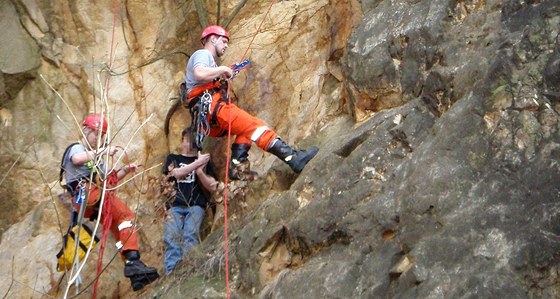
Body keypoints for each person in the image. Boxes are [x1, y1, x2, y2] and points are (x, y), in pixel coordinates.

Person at [185, 25, 318, 179]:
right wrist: (223, 70)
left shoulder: (210, 63)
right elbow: (199, 73)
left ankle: (236, 165)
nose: (226, 45)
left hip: (210, 117)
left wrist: (223, 74)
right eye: (224, 41)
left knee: (246, 131)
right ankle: (293, 158)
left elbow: (204, 79)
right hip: (214, 109)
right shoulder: (202, 54)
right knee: (255, 126)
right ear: (213, 39)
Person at [62, 113, 159, 291]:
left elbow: (108, 180)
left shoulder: (96, 159)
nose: (98, 140)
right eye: (96, 135)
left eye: (102, 137)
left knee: (118, 225)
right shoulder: (77, 148)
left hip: (93, 198)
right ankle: (133, 262)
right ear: (85, 130)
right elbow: (76, 160)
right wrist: (104, 151)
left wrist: (125, 170)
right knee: (126, 215)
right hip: (86, 193)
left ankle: (134, 272)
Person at [162, 127, 218, 274]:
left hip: (196, 205)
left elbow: (212, 186)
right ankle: (171, 272)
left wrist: (200, 171)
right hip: (174, 205)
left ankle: (190, 269)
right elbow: (176, 173)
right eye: (186, 140)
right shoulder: (173, 158)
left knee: (190, 235)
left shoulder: (203, 162)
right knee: (171, 237)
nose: (189, 144)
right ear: (182, 141)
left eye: (192, 140)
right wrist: (196, 164)